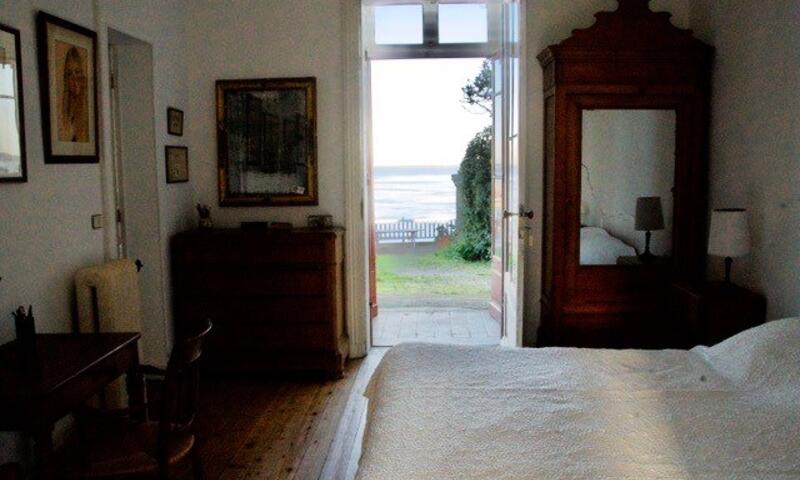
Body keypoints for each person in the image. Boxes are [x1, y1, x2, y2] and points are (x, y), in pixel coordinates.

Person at [58, 45, 89, 143]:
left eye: (77, 72)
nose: (74, 78)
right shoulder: (63, 107)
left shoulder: (88, 105)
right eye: (69, 74)